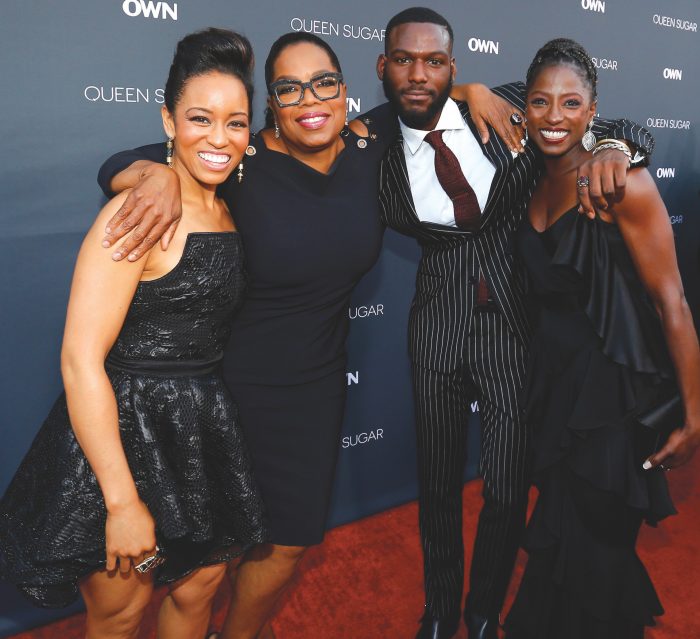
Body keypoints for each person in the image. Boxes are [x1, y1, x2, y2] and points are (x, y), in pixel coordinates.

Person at [96, 16, 645, 639]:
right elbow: (128, 159)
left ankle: (459, 612)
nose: (310, 101)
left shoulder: (428, 125)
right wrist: (155, 175)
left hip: (387, 368)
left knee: (324, 537)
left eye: (323, 83)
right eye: (290, 89)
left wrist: (609, 145)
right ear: (271, 103)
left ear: (349, 88)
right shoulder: (258, 158)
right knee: (216, 563)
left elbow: (583, 117)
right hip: (258, 381)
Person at [372, 8, 655, 639]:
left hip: (512, 331)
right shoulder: (375, 148)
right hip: (436, 331)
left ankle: (482, 613)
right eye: (404, 60)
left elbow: (605, 124)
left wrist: (618, 146)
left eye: (435, 61)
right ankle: (442, 613)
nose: (419, 74)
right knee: (439, 487)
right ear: (383, 66)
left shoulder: (505, 108)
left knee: (505, 489)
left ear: (453, 65)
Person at [0, 28, 267, 639]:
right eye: (201, 118)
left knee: (201, 585)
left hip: (200, 425)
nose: (220, 139)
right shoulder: (137, 212)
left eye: (236, 122)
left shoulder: (229, 204)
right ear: (167, 120)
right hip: (122, 431)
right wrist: (121, 502)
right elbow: (79, 360)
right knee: (120, 612)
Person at [503, 38, 700, 639]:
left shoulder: (622, 183)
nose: (554, 116)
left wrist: (695, 414)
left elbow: (673, 301)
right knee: (559, 545)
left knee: (596, 553)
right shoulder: (529, 183)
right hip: (553, 392)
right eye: (540, 102)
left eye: (571, 102)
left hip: (611, 403)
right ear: (525, 110)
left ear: (594, 111)